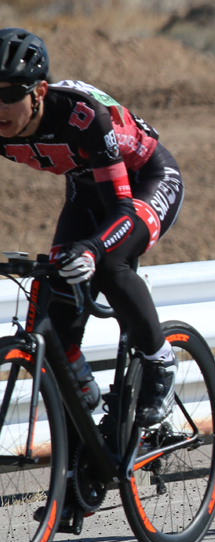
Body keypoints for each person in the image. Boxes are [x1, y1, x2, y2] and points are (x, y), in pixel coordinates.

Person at [0, 28, 182, 425]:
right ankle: (86, 417)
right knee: (55, 301)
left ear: (39, 92)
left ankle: (161, 360)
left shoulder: (82, 117)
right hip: (86, 187)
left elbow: (120, 207)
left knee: (109, 262)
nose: (0, 107)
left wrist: (94, 249)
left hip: (145, 180)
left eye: (10, 94)